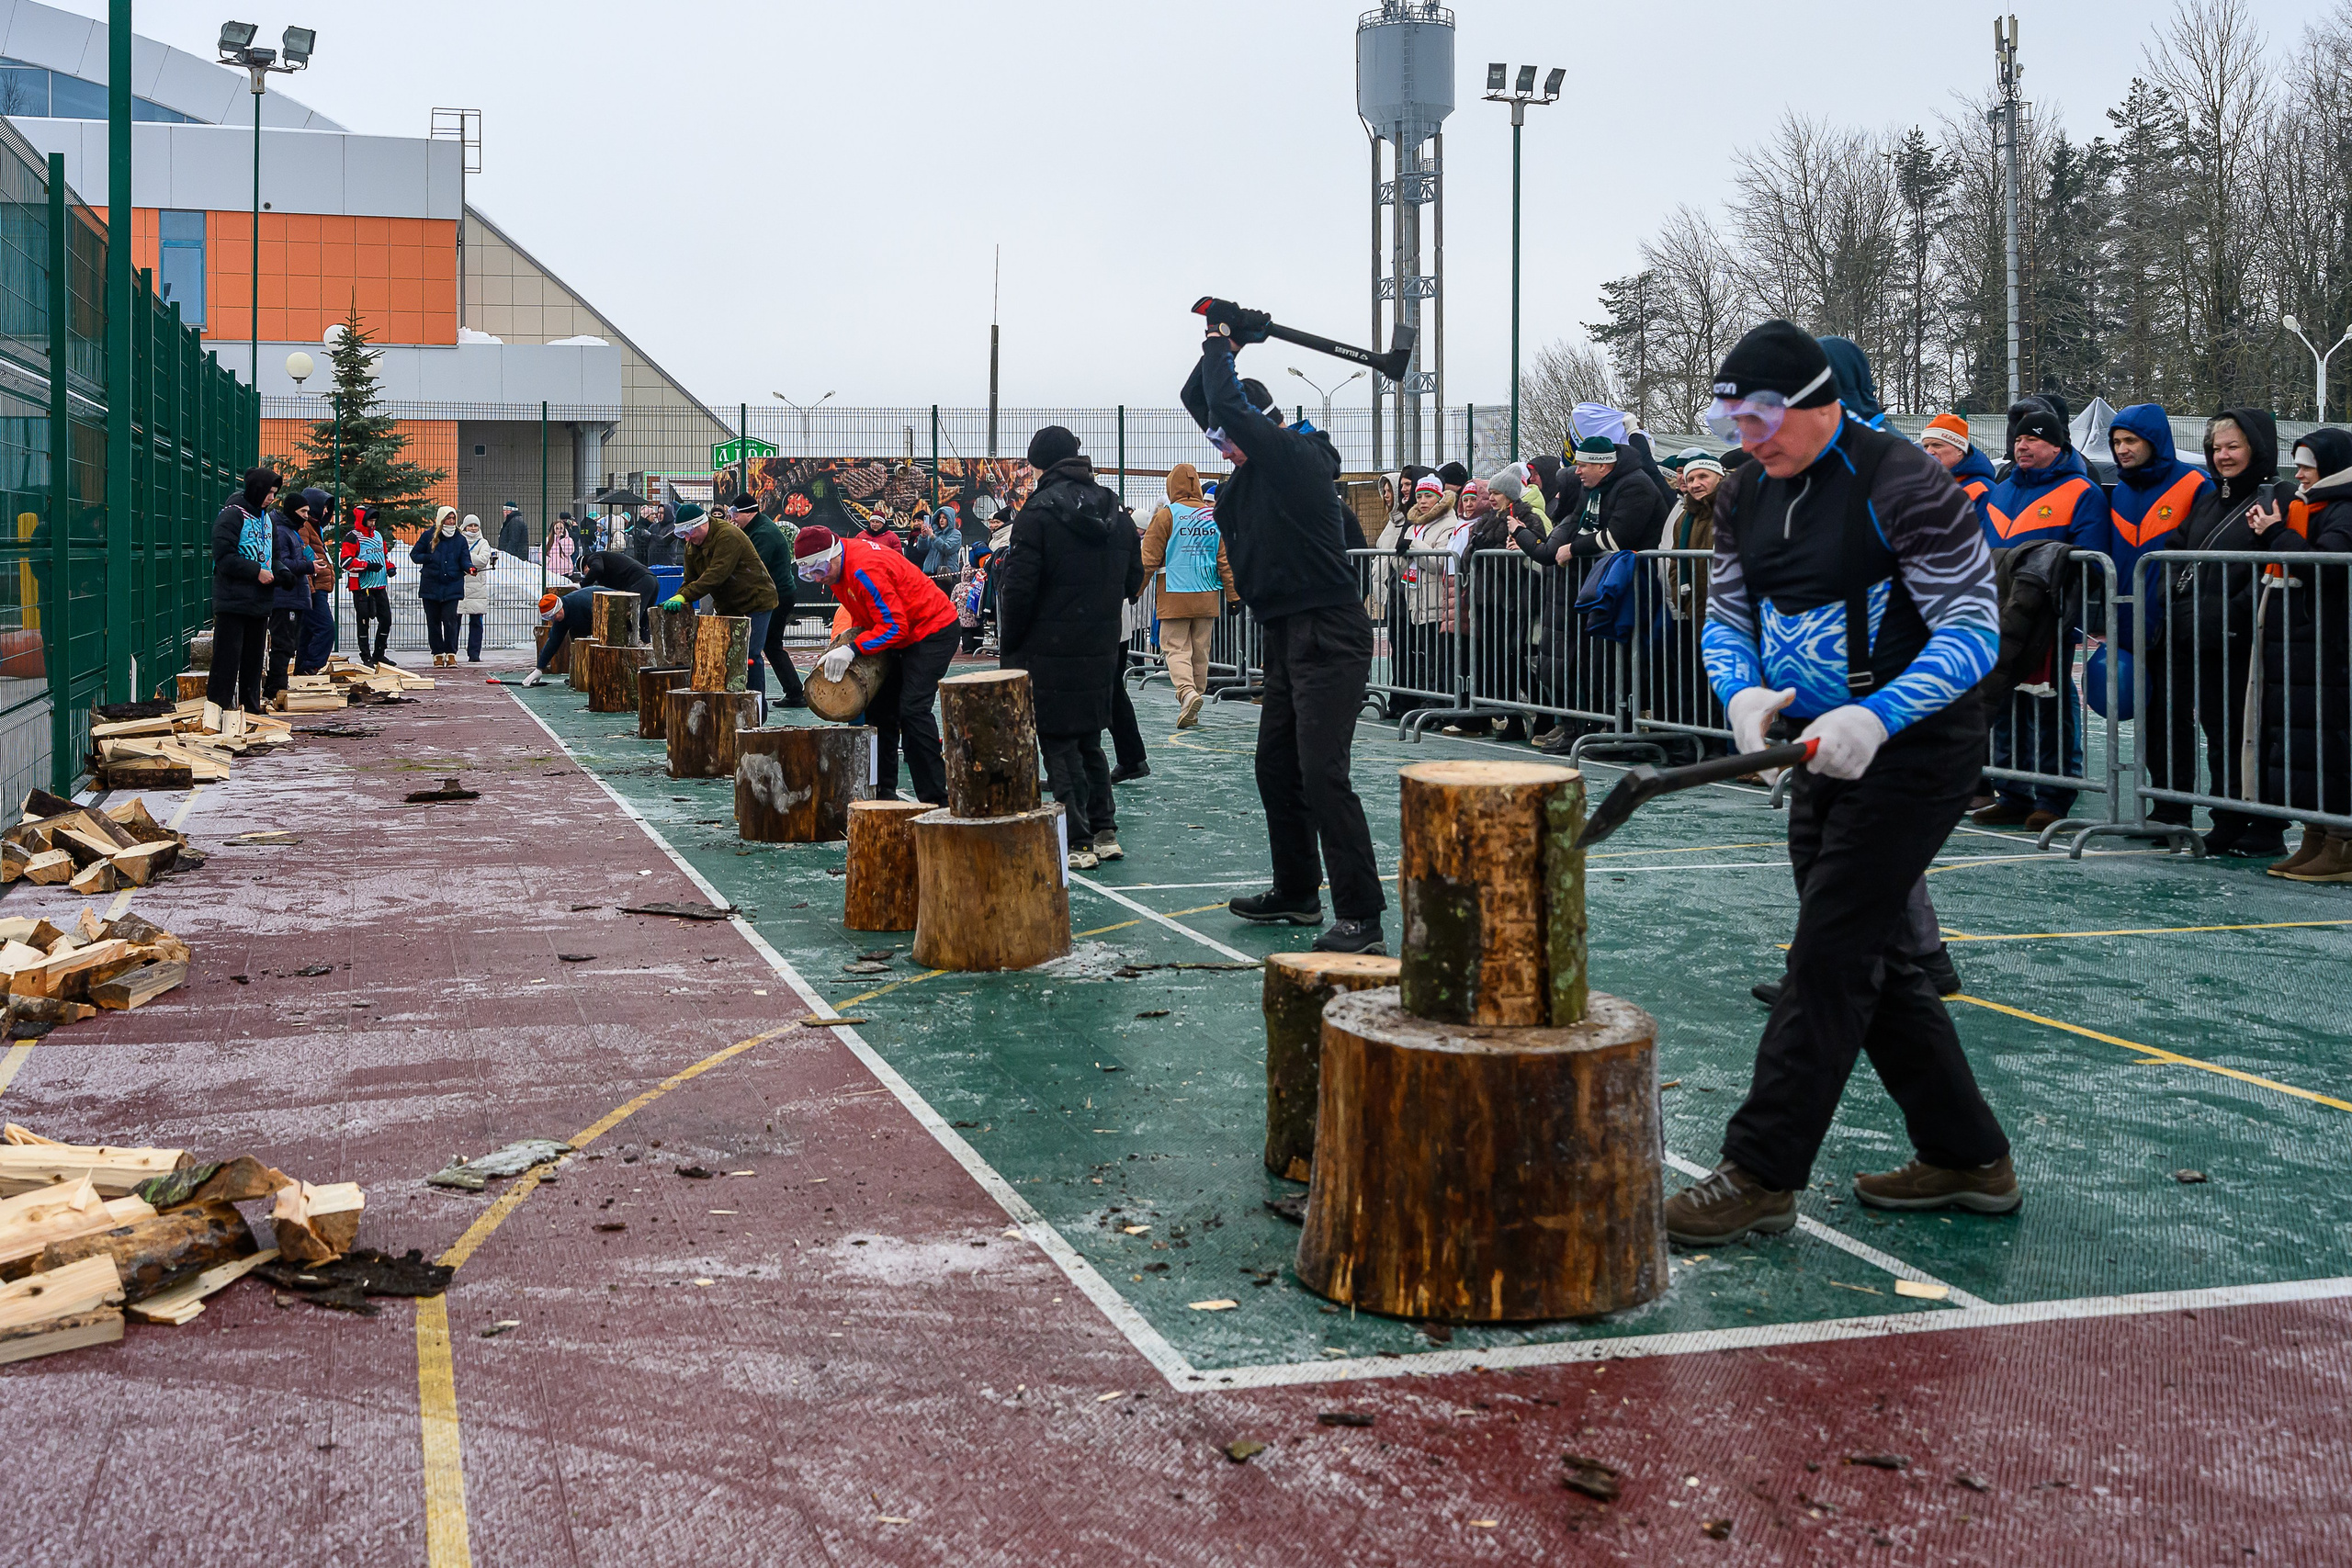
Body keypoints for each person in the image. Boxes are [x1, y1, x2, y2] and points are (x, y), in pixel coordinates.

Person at [1665, 321, 2011, 1247]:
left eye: (1763, 418)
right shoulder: (1742, 493)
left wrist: (1878, 714)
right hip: (1816, 750)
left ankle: (1762, 1169)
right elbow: (1726, 613)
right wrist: (1738, 694)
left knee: (1825, 951)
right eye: (1731, 419)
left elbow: (1974, 630)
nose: (1747, 437)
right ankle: (1967, 1156)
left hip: (1917, 747)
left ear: (1820, 405)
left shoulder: (1903, 482)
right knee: (1873, 954)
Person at [1182, 301, 1385, 955]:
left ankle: (1362, 913)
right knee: (1277, 765)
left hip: (1329, 628)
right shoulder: (1249, 469)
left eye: (1227, 434)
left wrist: (1220, 342)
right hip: (1286, 631)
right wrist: (1228, 344)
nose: (1221, 445)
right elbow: (1201, 397)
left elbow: (1228, 407)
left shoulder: (1293, 456)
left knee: (1323, 772)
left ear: (1259, 423)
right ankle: (1298, 891)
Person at [996, 426, 1146, 868]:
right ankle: (1104, 830)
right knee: (1089, 739)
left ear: (1039, 464)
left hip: (1047, 645)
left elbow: (1017, 590)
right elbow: (1133, 578)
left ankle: (1077, 840)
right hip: (1099, 642)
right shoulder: (1114, 511)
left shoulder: (1036, 513)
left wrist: (1013, 645)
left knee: (1058, 742)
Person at [1975, 399, 2110, 829]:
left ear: (2056, 445)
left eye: (2033, 439)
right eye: (2018, 439)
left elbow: (2090, 558)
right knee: (2004, 698)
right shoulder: (2001, 489)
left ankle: (2054, 795)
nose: (2022, 446)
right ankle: (2012, 789)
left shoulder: (2081, 491)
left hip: (2049, 618)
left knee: (2051, 703)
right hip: (2000, 611)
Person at [2169, 411, 2291, 859]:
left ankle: (2266, 822)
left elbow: (2270, 566)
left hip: (2250, 637)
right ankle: (2227, 816)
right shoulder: (2209, 501)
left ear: (2256, 448)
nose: (2223, 456)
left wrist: (2232, 616)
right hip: (2205, 634)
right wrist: (2178, 607)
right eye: (2218, 448)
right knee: (2220, 732)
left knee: (2258, 733)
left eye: (2233, 446)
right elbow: (2179, 552)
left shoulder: (2280, 496)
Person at [793, 524, 962, 802]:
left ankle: (937, 798)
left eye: (820, 570)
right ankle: (883, 793)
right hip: (901, 634)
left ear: (834, 554)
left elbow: (896, 625)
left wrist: (853, 649)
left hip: (932, 629)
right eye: (808, 573)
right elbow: (867, 612)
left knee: (913, 711)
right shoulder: (838, 568)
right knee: (880, 711)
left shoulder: (864, 569)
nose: (817, 578)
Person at [2100, 404, 2211, 830]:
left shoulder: (2194, 484)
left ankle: (2174, 807)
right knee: (2147, 718)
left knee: (2174, 716)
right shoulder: (2120, 490)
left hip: (2174, 624)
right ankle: (2157, 799)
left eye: (2131, 441)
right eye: (2117, 442)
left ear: (2154, 441)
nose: (2122, 450)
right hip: (2129, 624)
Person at [2256, 431, 2352, 880]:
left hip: (2332, 646)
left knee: (2332, 744)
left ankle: (2342, 843)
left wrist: (2276, 533)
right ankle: (2317, 833)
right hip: (2306, 646)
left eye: (2308, 465)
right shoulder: (2308, 507)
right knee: (2309, 745)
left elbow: (2324, 565)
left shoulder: (2344, 509)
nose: (2299, 474)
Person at [1141, 462, 1236, 728]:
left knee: (1175, 648)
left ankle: (1187, 693)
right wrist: (1233, 595)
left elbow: (1148, 560)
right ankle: (1196, 697)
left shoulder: (1166, 516)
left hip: (1174, 593)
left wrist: (1134, 590)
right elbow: (1224, 561)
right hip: (1207, 594)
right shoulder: (1212, 517)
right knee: (1200, 651)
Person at [663, 500, 780, 703]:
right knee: (727, 652)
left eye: (690, 533)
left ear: (701, 524)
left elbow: (715, 575)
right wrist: (679, 596)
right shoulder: (692, 544)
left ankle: (757, 709)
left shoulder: (728, 536)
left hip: (756, 601)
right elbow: (690, 579)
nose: (688, 539)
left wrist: (685, 595)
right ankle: (731, 702)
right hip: (729, 604)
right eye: (683, 535)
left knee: (749, 655)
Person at [209, 468, 281, 715]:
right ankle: (217, 710)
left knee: (253, 660)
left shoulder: (268, 520)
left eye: (274, 493)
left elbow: (275, 556)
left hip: (260, 602)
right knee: (227, 659)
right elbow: (224, 557)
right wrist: (255, 571)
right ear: (256, 490)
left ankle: (250, 708)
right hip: (233, 600)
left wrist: (283, 574)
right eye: (269, 493)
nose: (272, 498)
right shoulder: (231, 515)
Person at [729, 494, 806, 707]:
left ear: (749, 513)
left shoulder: (763, 534)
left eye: (736, 514)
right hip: (777, 592)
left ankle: (790, 693)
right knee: (771, 645)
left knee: (766, 646)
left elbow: (751, 566)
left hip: (778, 595)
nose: (733, 519)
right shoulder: (756, 528)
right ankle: (794, 691)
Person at [263, 487, 314, 703]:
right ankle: (275, 689)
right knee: (283, 644)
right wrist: (308, 566)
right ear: (293, 510)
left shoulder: (290, 531)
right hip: (286, 597)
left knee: (288, 644)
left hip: (293, 596)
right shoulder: (282, 532)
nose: (306, 516)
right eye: (303, 512)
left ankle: (279, 686)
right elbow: (282, 562)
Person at [412, 506, 471, 668]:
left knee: (451, 621)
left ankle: (451, 653)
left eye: (453, 518)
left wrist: (469, 567)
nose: (451, 521)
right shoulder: (428, 536)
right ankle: (437, 653)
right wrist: (430, 558)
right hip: (430, 586)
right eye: (448, 518)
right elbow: (414, 555)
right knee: (433, 621)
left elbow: (464, 558)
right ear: (441, 519)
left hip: (452, 586)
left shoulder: (460, 539)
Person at [340, 503, 396, 666]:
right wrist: (366, 566)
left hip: (380, 586)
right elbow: (345, 562)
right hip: (361, 587)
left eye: (374, 521)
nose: (373, 524)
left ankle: (379, 653)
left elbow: (383, 557)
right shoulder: (353, 537)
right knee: (364, 621)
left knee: (386, 620)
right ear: (362, 520)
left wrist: (390, 568)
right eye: (370, 520)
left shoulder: (378, 536)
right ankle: (366, 656)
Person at [1919, 414, 1997, 532]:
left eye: (1937, 445)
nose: (1929, 452)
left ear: (1960, 450)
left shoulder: (1983, 490)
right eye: (1926, 446)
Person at [577, 545, 662, 641]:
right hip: (652, 580)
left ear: (585, 566)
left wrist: (581, 585)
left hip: (641, 581)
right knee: (643, 621)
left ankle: (627, 647)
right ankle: (646, 645)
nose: (588, 575)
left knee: (630, 619)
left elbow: (597, 569)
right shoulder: (609, 565)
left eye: (585, 573)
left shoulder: (594, 557)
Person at [295, 488, 336, 675]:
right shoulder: (305, 527)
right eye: (324, 507)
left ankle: (302, 669)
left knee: (308, 632)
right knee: (325, 628)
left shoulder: (314, 527)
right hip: (313, 589)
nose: (326, 511)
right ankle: (311, 666)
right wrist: (310, 588)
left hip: (317, 587)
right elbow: (303, 556)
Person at [521, 589, 593, 686]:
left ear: (559, 608)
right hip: (584, 622)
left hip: (606, 611)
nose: (553, 621)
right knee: (576, 639)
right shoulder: (560, 619)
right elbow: (553, 642)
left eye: (553, 617)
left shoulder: (581, 603)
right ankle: (579, 675)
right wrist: (539, 669)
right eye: (549, 619)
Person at [453, 514, 496, 663]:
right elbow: (455, 558)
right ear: (464, 527)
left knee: (476, 622)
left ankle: (474, 653)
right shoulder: (458, 540)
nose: (473, 528)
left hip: (477, 589)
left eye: (475, 525)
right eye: (470, 525)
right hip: (460, 586)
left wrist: (463, 558)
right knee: (454, 622)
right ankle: (452, 652)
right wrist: (471, 559)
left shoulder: (483, 542)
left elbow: (483, 560)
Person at [545, 514, 577, 581]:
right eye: (557, 528)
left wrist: (562, 540)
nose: (559, 530)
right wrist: (548, 561)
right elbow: (541, 553)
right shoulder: (548, 540)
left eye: (561, 528)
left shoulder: (569, 540)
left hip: (565, 571)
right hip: (551, 570)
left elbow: (569, 552)